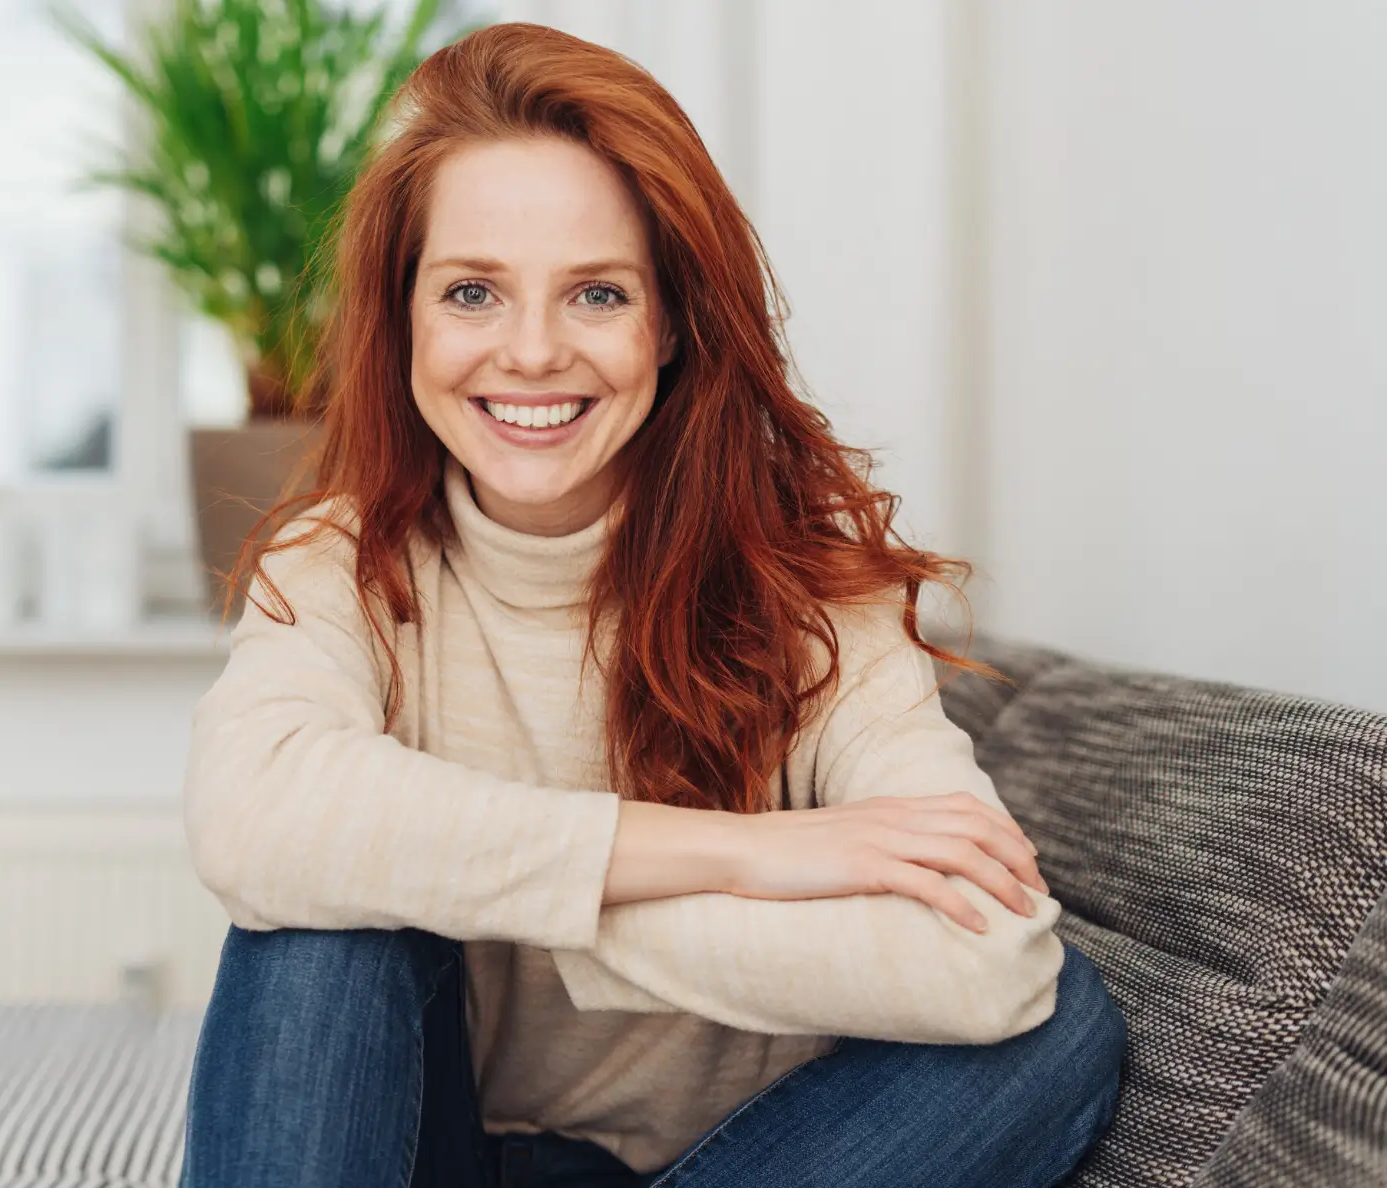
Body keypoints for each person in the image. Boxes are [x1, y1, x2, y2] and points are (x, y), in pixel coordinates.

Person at [177, 21, 1125, 1188]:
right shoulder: (341, 562)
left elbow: (997, 966)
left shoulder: (809, 593)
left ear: (670, 322)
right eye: (472, 291)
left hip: (728, 1167)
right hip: (431, 1154)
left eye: (597, 294)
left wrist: (542, 903)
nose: (531, 352)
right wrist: (744, 856)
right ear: (404, 317)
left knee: (1063, 1032)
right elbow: (251, 817)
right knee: (319, 924)